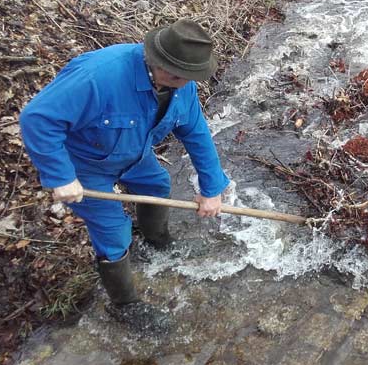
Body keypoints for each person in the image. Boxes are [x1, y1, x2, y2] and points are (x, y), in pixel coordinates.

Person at [19, 19, 230, 332]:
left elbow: (195, 131)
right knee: (114, 233)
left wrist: (212, 187)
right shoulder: (99, 76)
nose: (188, 84)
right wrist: (60, 176)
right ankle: (125, 306)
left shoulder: (182, 86)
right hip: (85, 166)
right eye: (183, 78)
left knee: (157, 185)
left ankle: (157, 241)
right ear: (164, 66)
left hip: (134, 154)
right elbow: (37, 119)